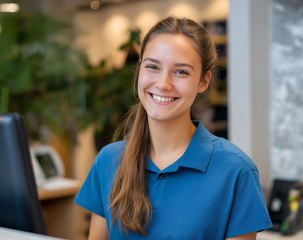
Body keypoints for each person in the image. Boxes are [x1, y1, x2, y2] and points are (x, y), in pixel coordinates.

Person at [75, 16, 273, 239]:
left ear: (203, 81)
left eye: (181, 72)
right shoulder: (108, 160)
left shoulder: (236, 171)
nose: (163, 83)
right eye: (152, 67)